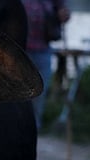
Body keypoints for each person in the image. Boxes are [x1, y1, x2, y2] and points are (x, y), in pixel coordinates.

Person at [23, 0, 70, 130]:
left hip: (43, 51)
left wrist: (64, 15)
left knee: (38, 94)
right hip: (19, 51)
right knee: (17, 95)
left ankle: (33, 129)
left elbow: (64, 12)